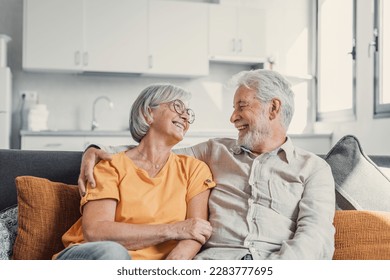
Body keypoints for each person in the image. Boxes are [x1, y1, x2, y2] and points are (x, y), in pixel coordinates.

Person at [79, 69, 336, 260]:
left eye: (241, 106)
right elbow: (153, 151)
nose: (233, 117)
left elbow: (315, 234)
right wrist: (96, 149)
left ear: (273, 108)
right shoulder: (213, 151)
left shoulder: (313, 169)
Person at [54, 84, 216, 260]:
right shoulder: (111, 166)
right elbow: (96, 231)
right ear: (148, 114)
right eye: (177, 106)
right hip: (93, 256)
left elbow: (196, 232)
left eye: (188, 113)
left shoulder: (194, 170)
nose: (185, 116)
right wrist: (174, 229)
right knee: (113, 253)